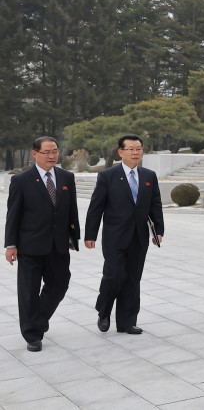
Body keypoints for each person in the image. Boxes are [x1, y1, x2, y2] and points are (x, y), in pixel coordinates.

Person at [4, 137, 80, 352]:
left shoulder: (67, 177)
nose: (52, 156)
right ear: (35, 154)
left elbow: (71, 209)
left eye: (55, 151)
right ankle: (32, 335)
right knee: (29, 291)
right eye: (47, 152)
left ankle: (37, 320)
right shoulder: (21, 180)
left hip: (58, 245)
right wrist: (10, 245)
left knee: (60, 283)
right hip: (30, 245)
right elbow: (13, 215)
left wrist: (74, 237)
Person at [85, 134, 164, 335]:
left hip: (139, 236)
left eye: (139, 148)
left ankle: (127, 322)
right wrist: (90, 234)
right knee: (114, 275)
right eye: (131, 149)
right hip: (115, 236)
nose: (136, 152)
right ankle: (103, 310)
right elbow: (96, 207)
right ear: (121, 152)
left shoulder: (149, 176)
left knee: (132, 278)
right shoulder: (107, 176)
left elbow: (155, 205)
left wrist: (158, 230)